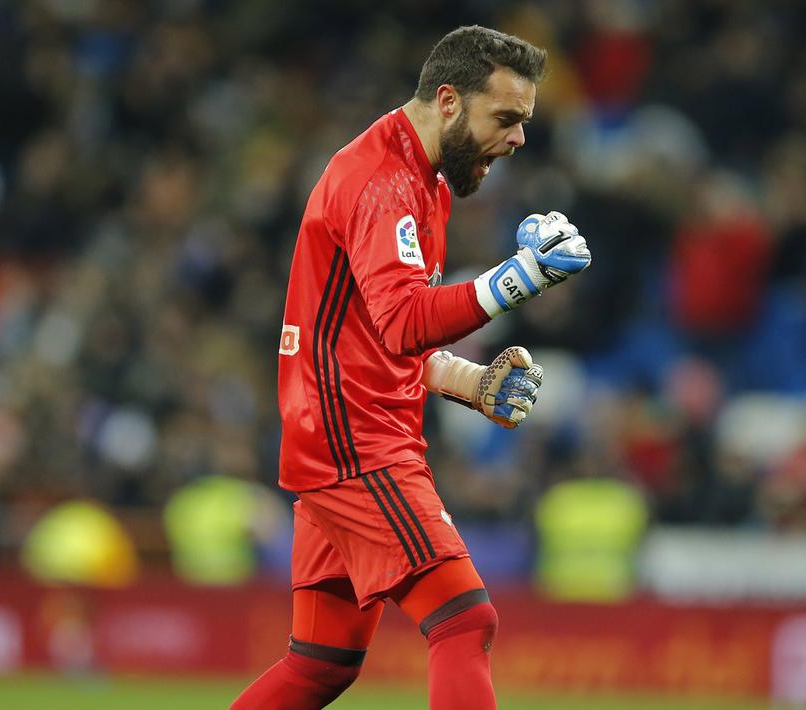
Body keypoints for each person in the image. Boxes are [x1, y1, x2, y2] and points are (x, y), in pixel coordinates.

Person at [232, 26, 591, 710]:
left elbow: (381, 334)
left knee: (321, 664)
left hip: (341, 433)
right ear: (449, 101)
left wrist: (470, 382)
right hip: (355, 443)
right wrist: (519, 279)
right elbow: (401, 322)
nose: (517, 140)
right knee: (463, 618)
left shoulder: (424, 180)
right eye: (506, 119)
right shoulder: (383, 183)